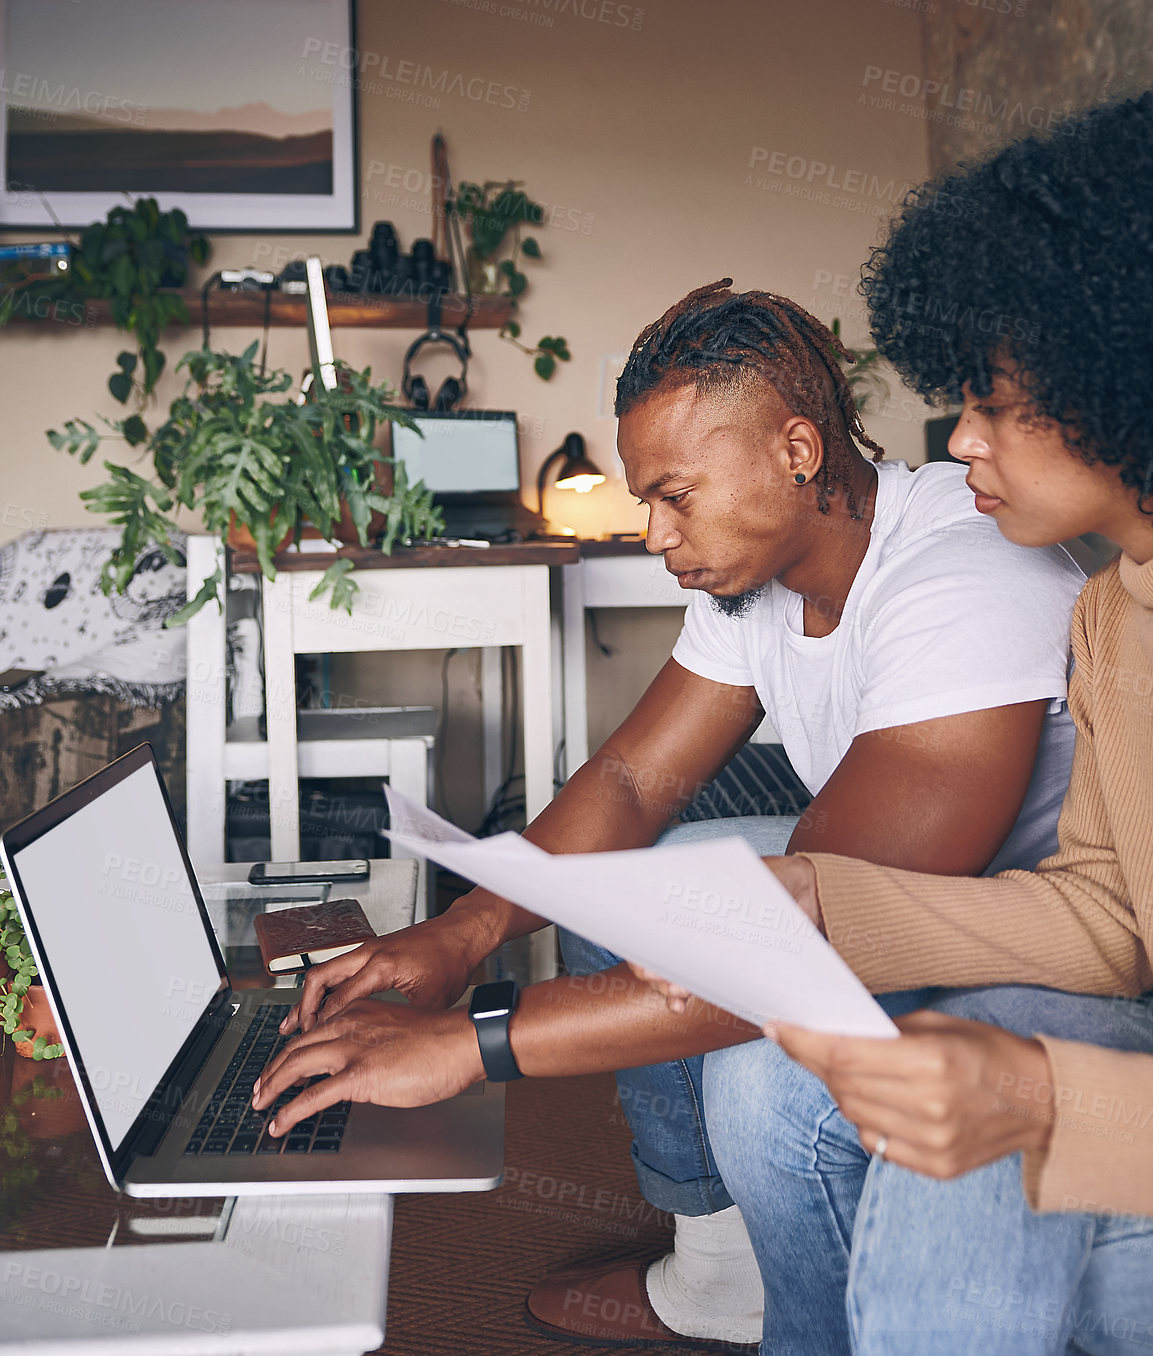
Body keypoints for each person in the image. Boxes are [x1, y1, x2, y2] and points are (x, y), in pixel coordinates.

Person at [252, 281, 1083, 1350]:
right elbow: (637, 782)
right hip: (876, 896)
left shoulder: (959, 574)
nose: (654, 532)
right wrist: (461, 934)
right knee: (624, 883)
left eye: (676, 494)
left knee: (757, 1084)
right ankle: (721, 1275)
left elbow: (799, 945)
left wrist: (469, 1043)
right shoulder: (758, 577)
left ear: (795, 449)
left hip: (1025, 939)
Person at [639, 91, 1153, 1353]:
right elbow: (1106, 918)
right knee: (773, 1013)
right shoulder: (1109, 615)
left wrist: (1045, 1096)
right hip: (1095, 1003)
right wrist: (817, 893)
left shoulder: (981, 577)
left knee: (965, 1088)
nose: (960, 433)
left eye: (995, 399)